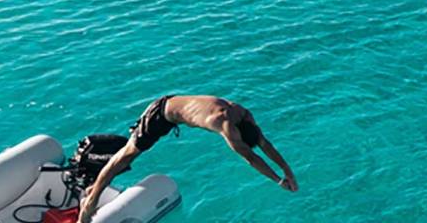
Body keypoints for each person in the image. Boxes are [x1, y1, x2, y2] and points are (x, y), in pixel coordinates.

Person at [77, 95, 297, 223]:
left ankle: (91, 194)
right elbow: (251, 158)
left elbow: (264, 145)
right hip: (160, 115)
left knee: (126, 157)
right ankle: (90, 202)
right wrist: (278, 180)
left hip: (174, 106)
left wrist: (286, 170)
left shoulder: (243, 114)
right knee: (123, 158)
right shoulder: (226, 125)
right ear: (238, 134)